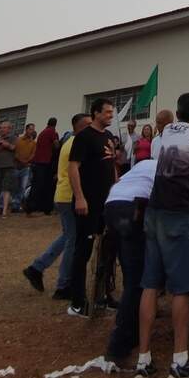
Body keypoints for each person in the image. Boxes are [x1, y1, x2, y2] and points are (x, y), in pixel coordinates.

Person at [134, 93, 189, 378]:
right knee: (182, 287)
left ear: (177, 113)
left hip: (153, 213)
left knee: (151, 284)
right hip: (179, 214)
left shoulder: (167, 130)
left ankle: (143, 361)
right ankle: (180, 363)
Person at [22, 113, 88, 300]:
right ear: (79, 127)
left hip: (64, 195)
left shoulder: (69, 142)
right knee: (72, 240)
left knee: (67, 235)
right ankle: (63, 284)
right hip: (69, 196)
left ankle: (37, 267)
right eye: (88, 124)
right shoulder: (76, 143)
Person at [102, 151, 157, 368]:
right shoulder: (163, 168)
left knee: (130, 274)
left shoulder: (141, 167)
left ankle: (132, 329)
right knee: (136, 280)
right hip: (131, 208)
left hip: (112, 205)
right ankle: (119, 344)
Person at [66, 99, 119, 318]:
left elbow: (112, 165)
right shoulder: (84, 137)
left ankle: (104, 295)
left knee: (108, 250)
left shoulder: (108, 137)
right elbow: (73, 168)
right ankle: (77, 300)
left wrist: (117, 188)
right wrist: (79, 197)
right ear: (96, 113)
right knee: (83, 250)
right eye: (107, 112)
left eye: (111, 112)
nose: (110, 115)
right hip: (87, 204)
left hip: (107, 202)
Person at [27, 118, 59, 215]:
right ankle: (45, 208)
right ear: (55, 124)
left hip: (38, 162)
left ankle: (31, 207)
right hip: (47, 163)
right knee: (47, 185)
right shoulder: (52, 132)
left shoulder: (42, 132)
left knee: (36, 185)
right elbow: (56, 145)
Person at [14, 123, 38, 207]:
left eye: (33, 129)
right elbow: (15, 153)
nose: (32, 131)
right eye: (30, 129)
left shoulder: (33, 143)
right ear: (26, 130)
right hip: (16, 166)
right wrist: (21, 161)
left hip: (26, 167)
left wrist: (26, 161)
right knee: (15, 186)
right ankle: (14, 203)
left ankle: (17, 205)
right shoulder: (18, 140)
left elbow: (33, 154)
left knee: (23, 187)